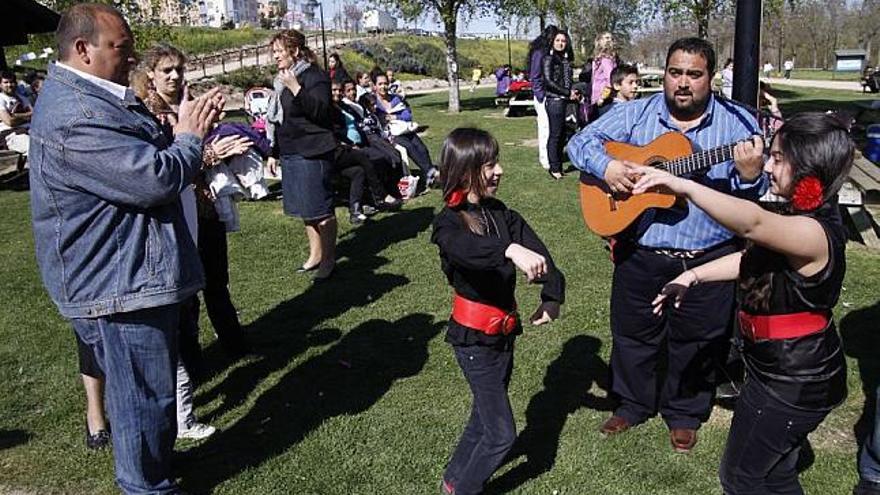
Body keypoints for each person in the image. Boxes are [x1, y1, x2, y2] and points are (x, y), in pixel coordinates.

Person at [29, 3, 223, 493]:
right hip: (119, 281)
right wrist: (190, 138)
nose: (132, 56)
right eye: (121, 46)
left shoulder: (96, 98)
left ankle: (153, 473)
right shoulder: (75, 116)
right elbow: (153, 178)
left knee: (150, 394)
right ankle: (147, 487)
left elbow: (149, 153)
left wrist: (180, 133)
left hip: (130, 271)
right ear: (82, 49)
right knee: (142, 399)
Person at [633, 112, 853, 495]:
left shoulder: (815, 231)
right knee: (776, 474)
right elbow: (753, 259)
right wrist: (693, 275)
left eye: (779, 158)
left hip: (795, 381)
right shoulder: (798, 217)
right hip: (776, 370)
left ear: (809, 166)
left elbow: (752, 224)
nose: (767, 165)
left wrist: (683, 184)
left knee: (741, 478)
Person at [567, 37, 766, 453]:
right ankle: (633, 403)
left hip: (708, 255)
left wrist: (749, 176)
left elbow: (753, 198)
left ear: (711, 78)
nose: (683, 83)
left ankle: (685, 412)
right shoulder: (634, 114)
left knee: (699, 339)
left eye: (694, 74)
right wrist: (608, 166)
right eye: (675, 72)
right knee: (632, 335)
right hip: (642, 250)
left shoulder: (740, 126)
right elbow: (578, 142)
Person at [432, 127, 565, 495]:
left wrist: (552, 293)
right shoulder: (448, 223)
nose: (500, 171)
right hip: (473, 342)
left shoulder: (502, 214)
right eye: (489, 164)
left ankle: (453, 482)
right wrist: (507, 251)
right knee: (502, 434)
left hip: (503, 336)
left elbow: (540, 253)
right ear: (465, 170)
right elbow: (466, 251)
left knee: (484, 417)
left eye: (497, 162)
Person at [268, 29, 337, 280]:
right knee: (307, 211)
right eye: (273, 52)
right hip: (291, 152)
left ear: (295, 51)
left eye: (279, 51)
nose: (275, 56)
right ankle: (315, 255)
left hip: (313, 151)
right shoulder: (281, 81)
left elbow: (321, 112)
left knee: (321, 209)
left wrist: (296, 88)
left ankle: (329, 259)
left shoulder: (313, 77)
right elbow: (279, 121)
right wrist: (273, 152)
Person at [371, 72, 439, 188]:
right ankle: (430, 173)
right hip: (390, 134)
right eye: (380, 84)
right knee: (410, 147)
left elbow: (407, 115)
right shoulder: (373, 102)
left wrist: (396, 117)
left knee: (422, 148)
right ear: (374, 86)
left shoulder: (395, 99)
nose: (383, 87)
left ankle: (429, 173)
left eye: (385, 83)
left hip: (404, 129)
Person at [541, 28, 577, 180]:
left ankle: (558, 166)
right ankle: (554, 167)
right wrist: (567, 92)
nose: (561, 43)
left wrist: (572, 92)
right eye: (558, 41)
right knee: (555, 134)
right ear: (552, 42)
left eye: (563, 41)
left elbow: (567, 80)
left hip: (565, 100)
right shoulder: (549, 59)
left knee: (563, 133)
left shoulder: (565, 60)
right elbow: (548, 82)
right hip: (554, 100)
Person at [527, 25, 558, 171]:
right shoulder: (539, 53)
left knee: (551, 127)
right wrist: (540, 95)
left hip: (550, 95)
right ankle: (544, 158)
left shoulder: (548, 53)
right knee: (544, 126)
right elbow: (535, 76)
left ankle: (550, 156)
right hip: (543, 96)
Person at [0, 71, 31, 157]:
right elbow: (9, 122)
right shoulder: (1, 99)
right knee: (33, 147)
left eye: (11, 82)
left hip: (30, 129)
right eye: (6, 82)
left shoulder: (22, 98)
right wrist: (27, 116)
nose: (9, 85)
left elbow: (35, 114)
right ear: (0, 85)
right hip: (10, 134)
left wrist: (16, 115)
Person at [589, 32, 619, 110]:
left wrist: (602, 97)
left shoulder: (606, 60)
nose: (609, 40)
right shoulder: (600, 58)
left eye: (611, 38)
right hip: (596, 95)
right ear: (599, 40)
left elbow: (610, 79)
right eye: (606, 38)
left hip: (603, 99)